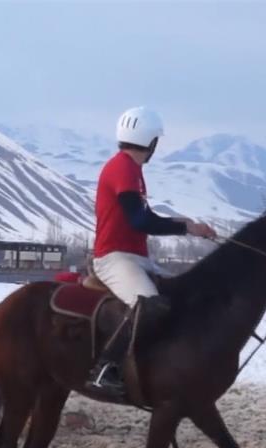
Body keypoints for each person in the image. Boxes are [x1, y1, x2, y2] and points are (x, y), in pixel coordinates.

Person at [90, 106, 216, 393]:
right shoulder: (123, 167)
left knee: (177, 291)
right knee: (149, 303)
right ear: (152, 142)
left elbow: (141, 220)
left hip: (136, 257)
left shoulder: (132, 169)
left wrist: (189, 225)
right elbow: (140, 220)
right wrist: (186, 228)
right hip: (114, 258)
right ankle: (107, 368)